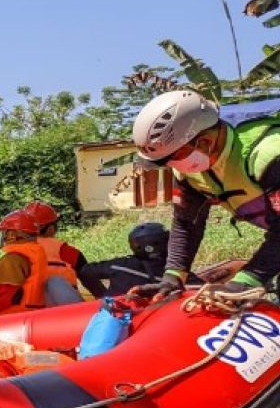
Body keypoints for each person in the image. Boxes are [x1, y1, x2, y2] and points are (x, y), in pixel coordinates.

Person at [131, 89, 280, 298]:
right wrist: (173, 276)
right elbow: (186, 223)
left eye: (174, 157)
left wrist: (247, 280)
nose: (172, 166)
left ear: (205, 142)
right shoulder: (189, 171)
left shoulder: (268, 154)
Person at [79, 222, 175, 298]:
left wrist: (101, 295)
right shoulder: (175, 275)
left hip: (116, 315)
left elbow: (85, 271)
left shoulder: (119, 265)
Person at [22, 200, 91, 297]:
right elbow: (94, 285)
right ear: (51, 228)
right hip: (63, 309)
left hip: (28, 310)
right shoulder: (68, 252)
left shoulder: (13, 253)